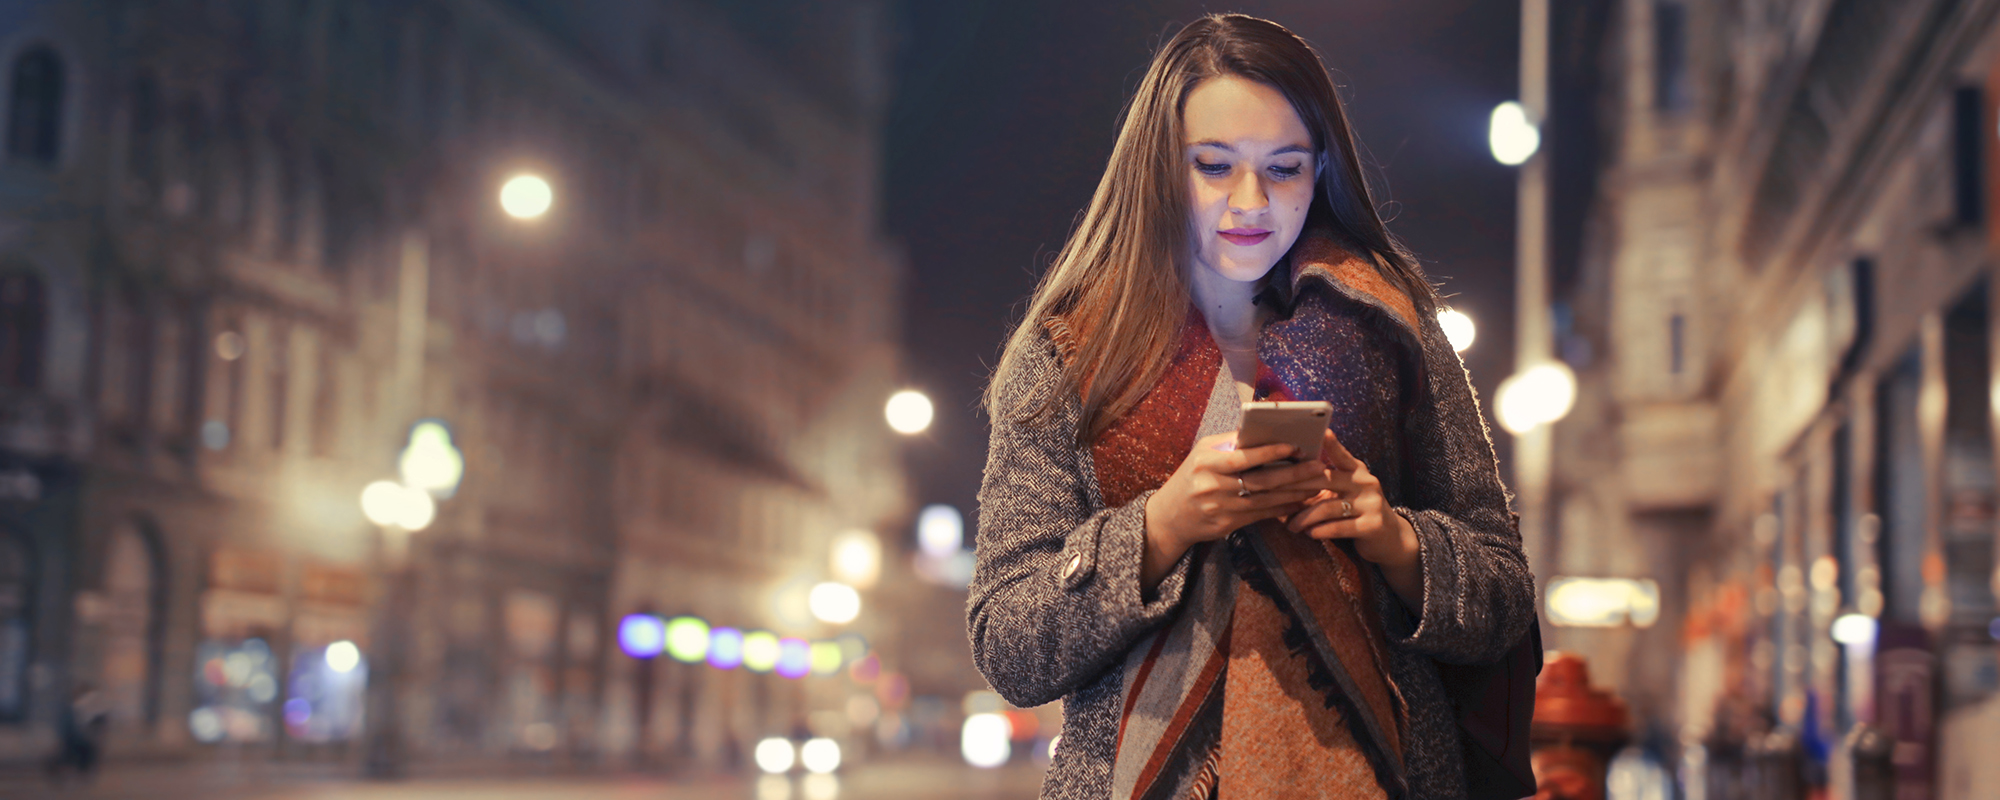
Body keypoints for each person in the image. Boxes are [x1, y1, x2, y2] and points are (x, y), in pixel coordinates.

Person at [968, 14, 1537, 799]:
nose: (1251, 200)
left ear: (1322, 169)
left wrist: (1391, 536)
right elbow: (1006, 643)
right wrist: (1162, 526)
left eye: (1285, 167)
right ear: (1158, 170)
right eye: (1212, 165)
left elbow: (1504, 597)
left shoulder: (1386, 324)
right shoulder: (1070, 351)